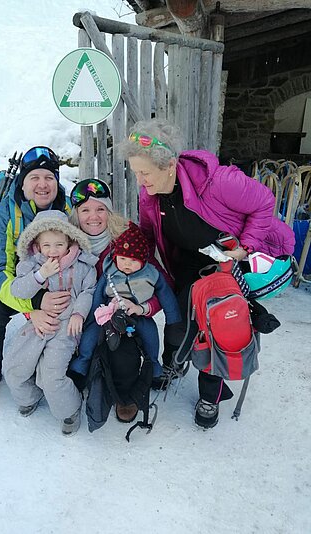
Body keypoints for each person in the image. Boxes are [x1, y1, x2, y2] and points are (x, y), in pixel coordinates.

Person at [119, 118, 295, 429]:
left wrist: (246, 246)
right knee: (177, 319)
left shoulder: (218, 181)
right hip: (187, 261)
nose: (140, 180)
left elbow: (265, 204)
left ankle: (210, 396)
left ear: (170, 165)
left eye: (144, 173)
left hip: (229, 258)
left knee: (214, 327)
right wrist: (128, 258)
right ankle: (175, 363)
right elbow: (147, 235)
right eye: (136, 172)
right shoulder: (150, 195)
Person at [67, 179, 182, 424]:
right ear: (76, 214)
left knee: (123, 351)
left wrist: (144, 308)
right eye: (85, 210)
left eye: (100, 208)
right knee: (86, 346)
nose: (93, 216)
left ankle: (127, 395)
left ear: (109, 210)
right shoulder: (68, 242)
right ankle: (81, 374)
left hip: (130, 312)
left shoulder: (129, 237)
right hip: (83, 313)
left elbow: (158, 282)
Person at [0, 146, 71, 410]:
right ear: (22, 182)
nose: (42, 185)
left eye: (49, 178)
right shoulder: (4, 215)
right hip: (19, 284)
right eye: (34, 178)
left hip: (61, 281)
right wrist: (33, 304)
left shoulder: (68, 207)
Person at [3, 210, 97, 436]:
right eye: (47, 246)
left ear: (69, 242)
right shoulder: (31, 265)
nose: (53, 251)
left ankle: (70, 410)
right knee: (14, 365)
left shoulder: (83, 265)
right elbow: (18, 290)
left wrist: (78, 315)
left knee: (51, 375)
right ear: (37, 245)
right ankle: (29, 396)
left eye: (59, 245)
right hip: (39, 323)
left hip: (66, 328)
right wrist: (40, 275)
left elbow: (88, 291)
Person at [77, 221, 181, 382]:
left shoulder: (151, 274)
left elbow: (165, 293)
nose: (127, 265)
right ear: (115, 256)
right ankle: (81, 365)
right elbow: (98, 294)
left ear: (143, 259)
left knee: (150, 335)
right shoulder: (109, 273)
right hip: (109, 313)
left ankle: (153, 366)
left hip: (138, 313)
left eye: (134, 261)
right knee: (90, 336)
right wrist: (92, 318)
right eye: (123, 259)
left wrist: (172, 318)